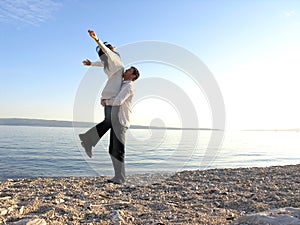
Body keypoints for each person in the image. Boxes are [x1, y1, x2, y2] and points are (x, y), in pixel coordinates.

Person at [79, 29, 124, 158]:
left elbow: (101, 62)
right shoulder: (112, 57)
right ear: (109, 49)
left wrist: (91, 63)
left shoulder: (111, 62)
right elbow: (105, 50)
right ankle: (87, 139)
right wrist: (96, 39)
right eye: (111, 46)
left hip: (110, 94)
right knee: (110, 122)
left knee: (110, 122)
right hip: (111, 95)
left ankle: (88, 140)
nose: (114, 46)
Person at [103, 66, 140, 184]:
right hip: (115, 120)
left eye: (129, 70)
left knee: (118, 149)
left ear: (133, 76)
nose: (126, 71)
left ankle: (120, 178)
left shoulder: (128, 86)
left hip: (121, 121)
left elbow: (118, 101)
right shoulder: (121, 85)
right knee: (112, 149)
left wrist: (106, 102)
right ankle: (117, 176)